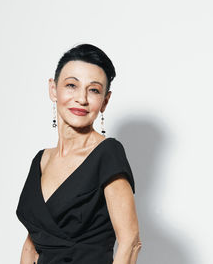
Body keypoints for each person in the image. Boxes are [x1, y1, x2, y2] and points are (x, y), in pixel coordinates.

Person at [16, 43, 142, 264]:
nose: (81, 99)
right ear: (53, 89)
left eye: (93, 90)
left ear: (105, 101)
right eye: (71, 85)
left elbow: (130, 242)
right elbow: (32, 244)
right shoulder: (41, 160)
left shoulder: (108, 154)